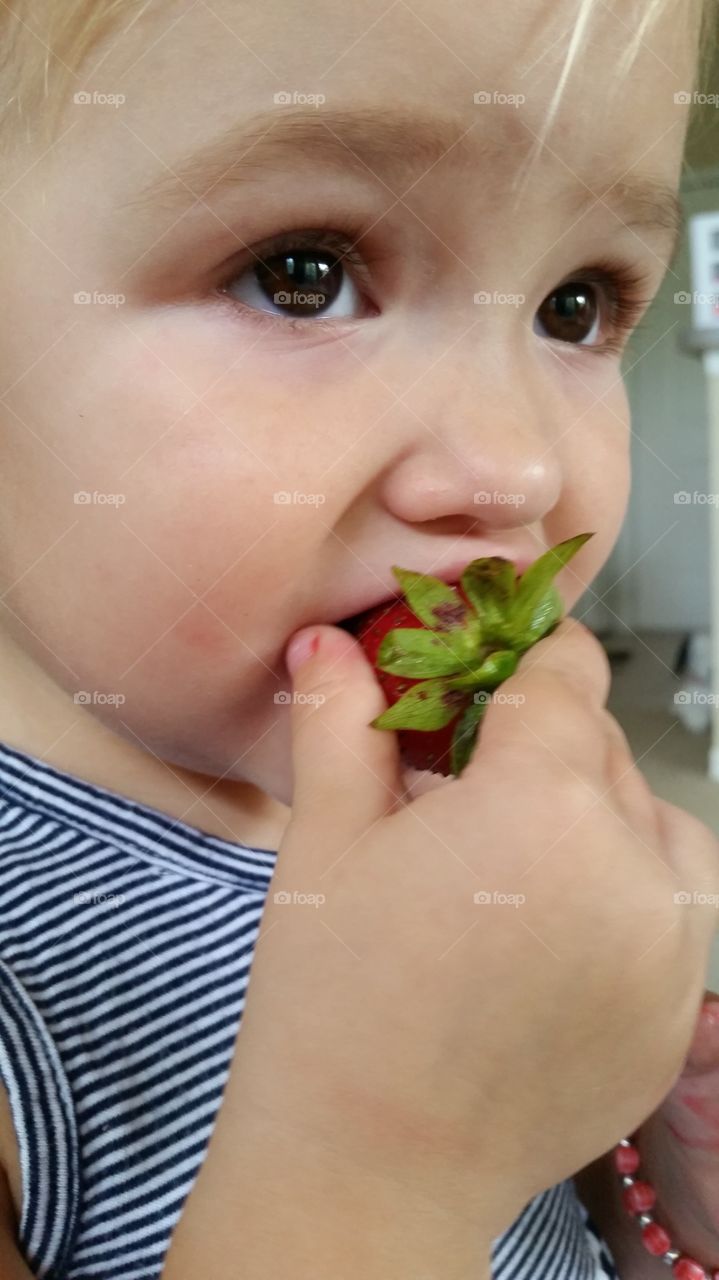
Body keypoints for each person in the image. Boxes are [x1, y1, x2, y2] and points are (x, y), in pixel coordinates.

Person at [0, 0, 717, 1275]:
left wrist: (644, 1164)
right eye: (303, 273)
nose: (513, 471)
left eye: (571, 303)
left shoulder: (433, 801)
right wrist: (382, 1156)